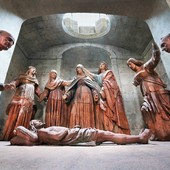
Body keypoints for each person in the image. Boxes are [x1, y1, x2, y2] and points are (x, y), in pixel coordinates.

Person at [127, 43, 170, 141]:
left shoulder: (146, 67)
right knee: (146, 110)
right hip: (148, 94)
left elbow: (155, 59)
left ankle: (165, 131)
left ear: (135, 62)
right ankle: (156, 132)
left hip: (156, 91)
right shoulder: (137, 75)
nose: (129, 66)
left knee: (160, 111)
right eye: (128, 66)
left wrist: (155, 49)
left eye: (130, 64)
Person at [10, 119, 151, 146]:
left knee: (109, 136)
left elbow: (13, 140)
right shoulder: (42, 132)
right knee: (110, 135)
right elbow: (59, 136)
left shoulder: (41, 133)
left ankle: (138, 137)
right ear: (33, 125)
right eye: (37, 121)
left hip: (77, 134)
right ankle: (140, 138)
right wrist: (68, 129)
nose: (40, 121)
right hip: (81, 135)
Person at [83, 62, 130, 134]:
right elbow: (91, 75)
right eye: (100, 65)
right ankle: (108, 130)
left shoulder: (109, 72)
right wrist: (83, 68)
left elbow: (111, 82)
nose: (101, 65)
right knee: (104, 110)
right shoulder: (99, 76)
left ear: (106, 66)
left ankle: (118, 130)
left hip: (112, 93)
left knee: (115, 110)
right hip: (105, 93)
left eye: (103, 64)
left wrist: (104, 89)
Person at [2, 66, 41, 141]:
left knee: (25, 115)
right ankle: (11, 134)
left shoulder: (35, 81)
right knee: (15, 115)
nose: (34, 71)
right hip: (19, 98)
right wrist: (12, 85)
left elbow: (37, 91)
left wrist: (43, 97)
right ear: (29, 70)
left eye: (35, 70)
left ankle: (22, 135)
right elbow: (15, 82)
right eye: (33, 70)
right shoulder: (22, 77)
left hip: (29, 100)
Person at [63, 64, 100, 128]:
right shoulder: (76, 79)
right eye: (77, 69)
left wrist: (95, 94)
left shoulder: (87, 78)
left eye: (79, 68)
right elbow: (72, 89)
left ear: (82, 69)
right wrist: (67, 95)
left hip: (87, 95)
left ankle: (88, 128)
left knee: (87, 111)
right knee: (75, 111)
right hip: (78, 95)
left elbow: (93, 88)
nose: (78, 70)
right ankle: (75, 129)